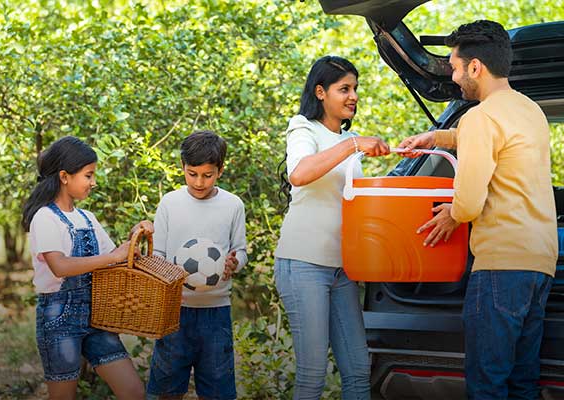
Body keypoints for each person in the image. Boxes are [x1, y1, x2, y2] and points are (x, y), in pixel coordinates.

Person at [398, 20, 558, 399]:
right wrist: (438, 136)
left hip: (500, 266)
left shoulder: (480, 118)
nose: (453, 77)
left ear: (475, 67)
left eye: (454, 67)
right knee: (522, 383)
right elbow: (493, 138)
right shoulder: (529, 110)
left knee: (487, 384)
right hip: (539, 265)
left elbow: (468, 203)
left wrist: (450, 214)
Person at [274, 55, 390, 400]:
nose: (353, 95)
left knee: (357, 370)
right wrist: (352, 145)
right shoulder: (303, 128)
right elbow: (300, 174)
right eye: (344, 89)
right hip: (304, 264)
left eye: (355, 88)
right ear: (321, 92)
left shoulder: (348, 141)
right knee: (313, 375)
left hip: (343, 268)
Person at [21, 135, 151, 399]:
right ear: (64, 176)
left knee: (134, 391)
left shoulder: (87, 218)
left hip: (96, 316)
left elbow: (115, 257)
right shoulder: (44, 218)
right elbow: (60, 266)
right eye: (88, 175)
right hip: (58, 318)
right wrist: (114, 257)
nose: (93, 182)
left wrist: (135, 236)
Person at [146, 130, 248, 400]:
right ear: (182, 167)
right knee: (167, 388)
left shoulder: (233, 205)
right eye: (192, 174)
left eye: (207, 175)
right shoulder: (170, 203)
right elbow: (157, 253)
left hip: (216, 313)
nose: (199, 182)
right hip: (174, 311)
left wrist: (234, 263)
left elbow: (241, 250)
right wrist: (167, 273)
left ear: (220, 170)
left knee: (217, 390)